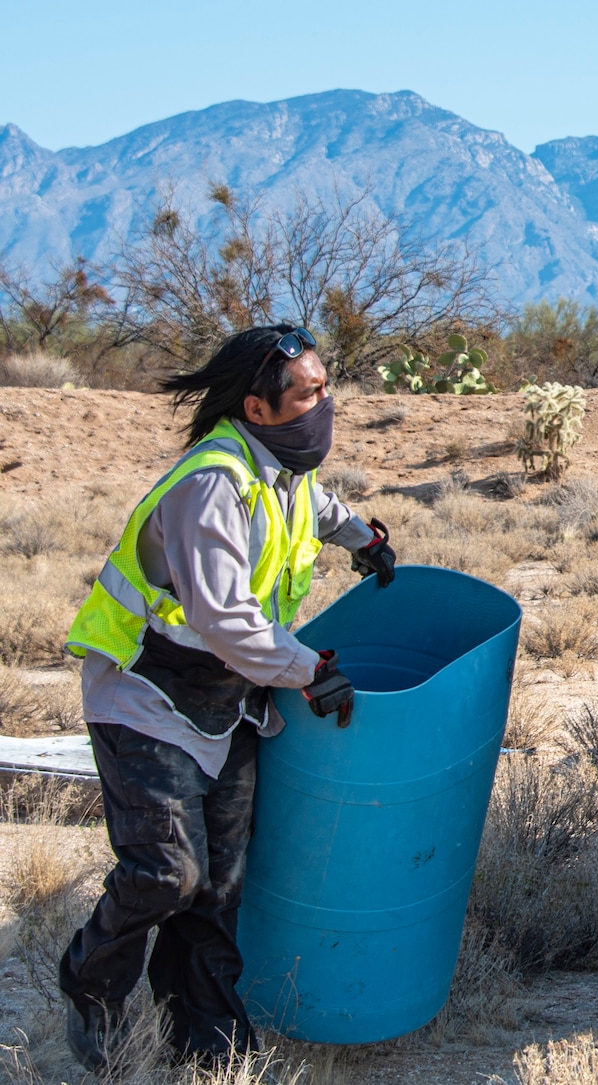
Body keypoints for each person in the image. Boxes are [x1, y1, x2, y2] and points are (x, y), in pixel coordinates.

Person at [58, 324, 398, 1068]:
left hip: (228, 699)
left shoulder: (282, 469)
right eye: (307, 393)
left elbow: (317, 506)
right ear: (257, 405)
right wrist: (309, 669)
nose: (324, 402)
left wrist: (361, 540)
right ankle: (91, 982)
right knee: (166, 872)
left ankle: (205, 1035)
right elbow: (224, 619)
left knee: (218, 882)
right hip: (146, 696)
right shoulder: (212, 483)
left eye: (324, 386)